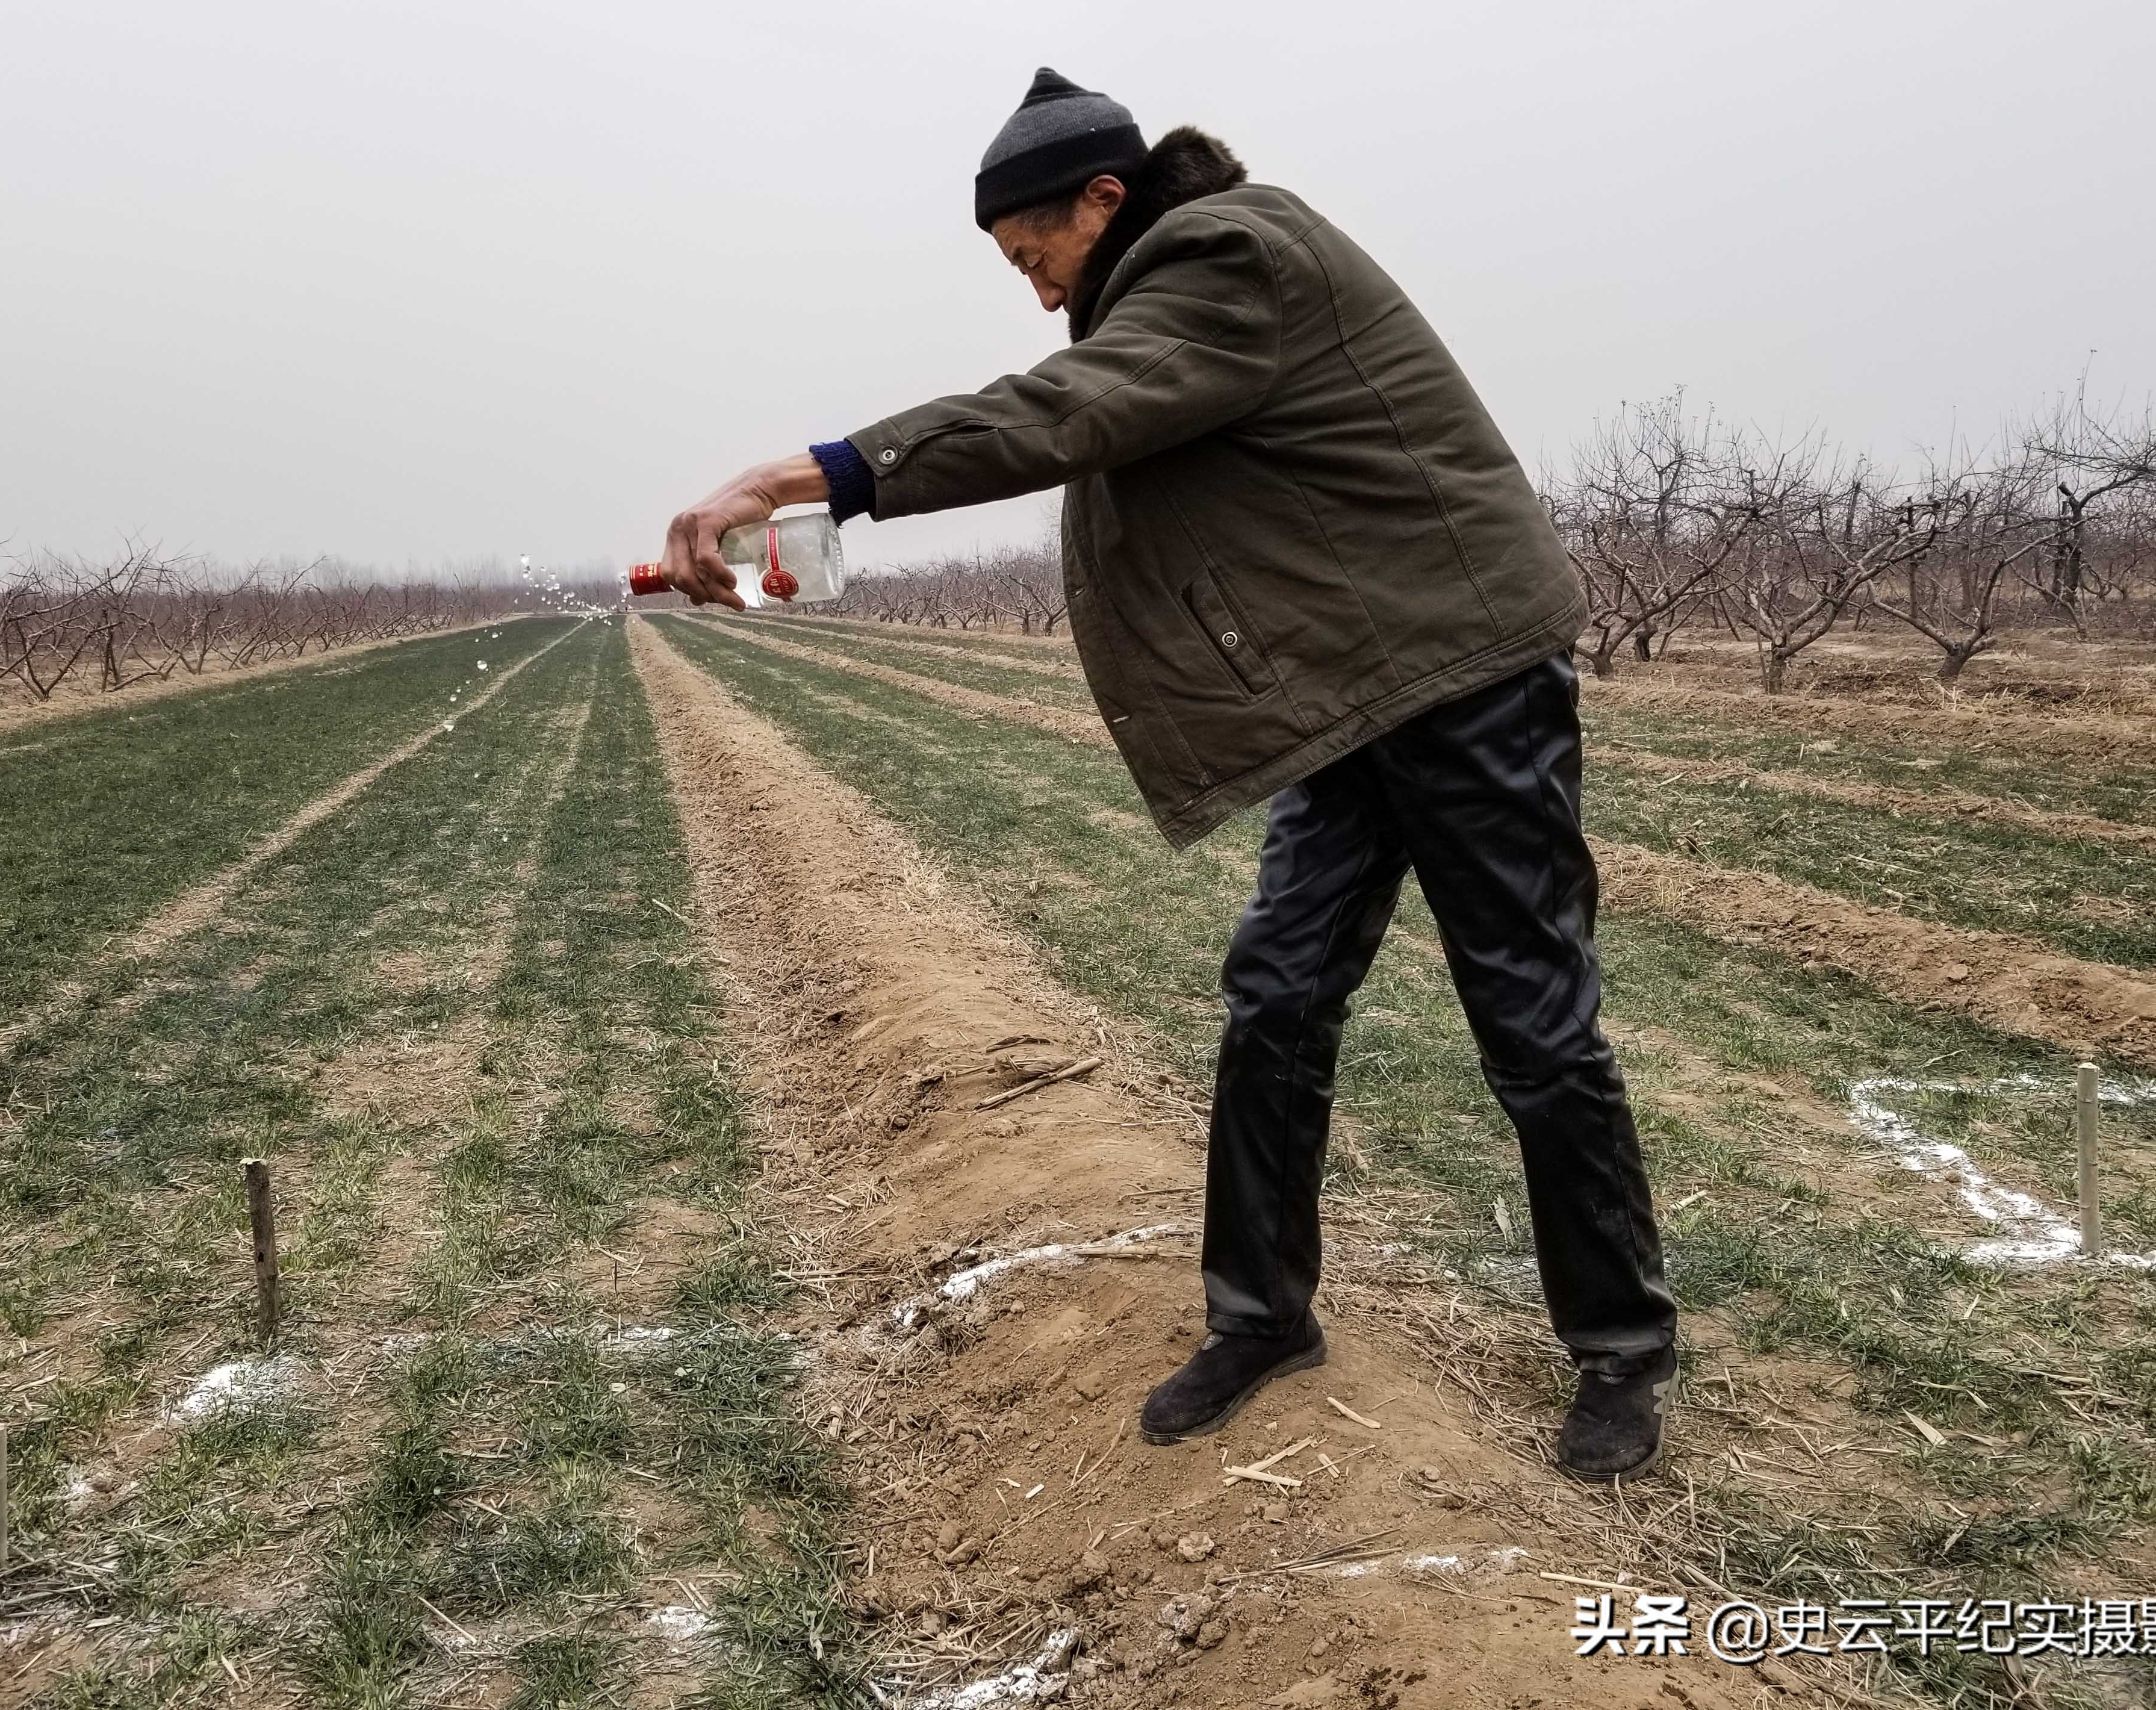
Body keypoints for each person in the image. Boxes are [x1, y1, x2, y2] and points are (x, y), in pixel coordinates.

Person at [654, 69, 1679, 1480]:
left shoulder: (1229, 256)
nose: (1035, 292)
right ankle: (1262, 1321)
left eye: (1038, 257)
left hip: (1462, 677)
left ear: (1106, 200)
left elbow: (1058, 412)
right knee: (1276, 992)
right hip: (1350, 695)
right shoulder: (1172, 289)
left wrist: (799, 476)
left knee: (1529, 1015)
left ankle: (1622, 1351)